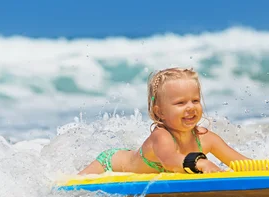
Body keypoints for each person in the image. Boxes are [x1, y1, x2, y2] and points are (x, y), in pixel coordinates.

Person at [78, 68, 250, 175]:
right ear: (159, 112)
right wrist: (199, 162)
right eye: (180, 103)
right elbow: (170, 160)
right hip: (109, 165)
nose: (190, 107)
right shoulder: (161, 136)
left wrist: (268, 171)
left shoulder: (207, 138)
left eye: (195, 100)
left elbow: (241, 164)